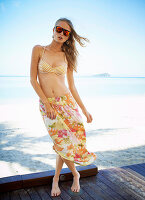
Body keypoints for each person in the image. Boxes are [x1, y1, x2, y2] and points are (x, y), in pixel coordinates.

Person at [30, 17, 97, 197]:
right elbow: (32, 80)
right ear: (53, 29)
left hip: (67, 103)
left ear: (68, 37)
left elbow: (72, 86)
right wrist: (46, 102)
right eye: (59, 29)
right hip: (48, 105)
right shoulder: (38, 50)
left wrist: (84, 109)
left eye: (66, 32)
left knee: (65, 144)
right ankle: (73, 174)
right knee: (60, 143)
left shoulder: (67, 56)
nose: (61, 34)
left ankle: (61, 177)